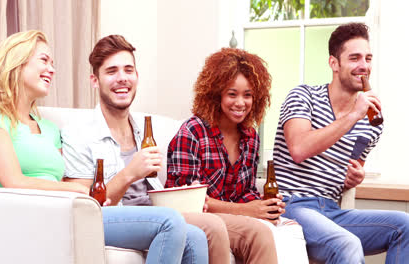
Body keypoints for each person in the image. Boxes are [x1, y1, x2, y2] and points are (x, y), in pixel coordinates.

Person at [0, 30, 207, 264]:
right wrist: (76, 191)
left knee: (195, 237)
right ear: (16, 63)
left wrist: (81, 192)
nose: (52, 69)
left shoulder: (49, 129)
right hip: (29, 214)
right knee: (170, 221)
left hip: (69, 211)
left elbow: (64, 181)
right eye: (44, 60)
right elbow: (14, 182)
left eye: (52, 63)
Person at [273, 22, 409, 263]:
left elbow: (349, 170)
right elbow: (299, 149)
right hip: (292, 205)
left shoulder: (371, 122)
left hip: (331, 210)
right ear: (333, 63)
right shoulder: (303, 96)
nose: (364, 66)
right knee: (347, 243)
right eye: (354, 58)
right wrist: (353, 115)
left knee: (404, 225)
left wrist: (355, 177)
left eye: (368, 58)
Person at [166, 48, 309, 264]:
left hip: (230, 219)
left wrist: (264, 206)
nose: (240, 103)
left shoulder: (250, 137)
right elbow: (187, 201)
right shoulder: (192, 133)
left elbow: (245, 192)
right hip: (197, 219)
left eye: (248, 95)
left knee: (290, 228)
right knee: (258, 233)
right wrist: (248, 211)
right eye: (232, 94)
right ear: (217, 95)